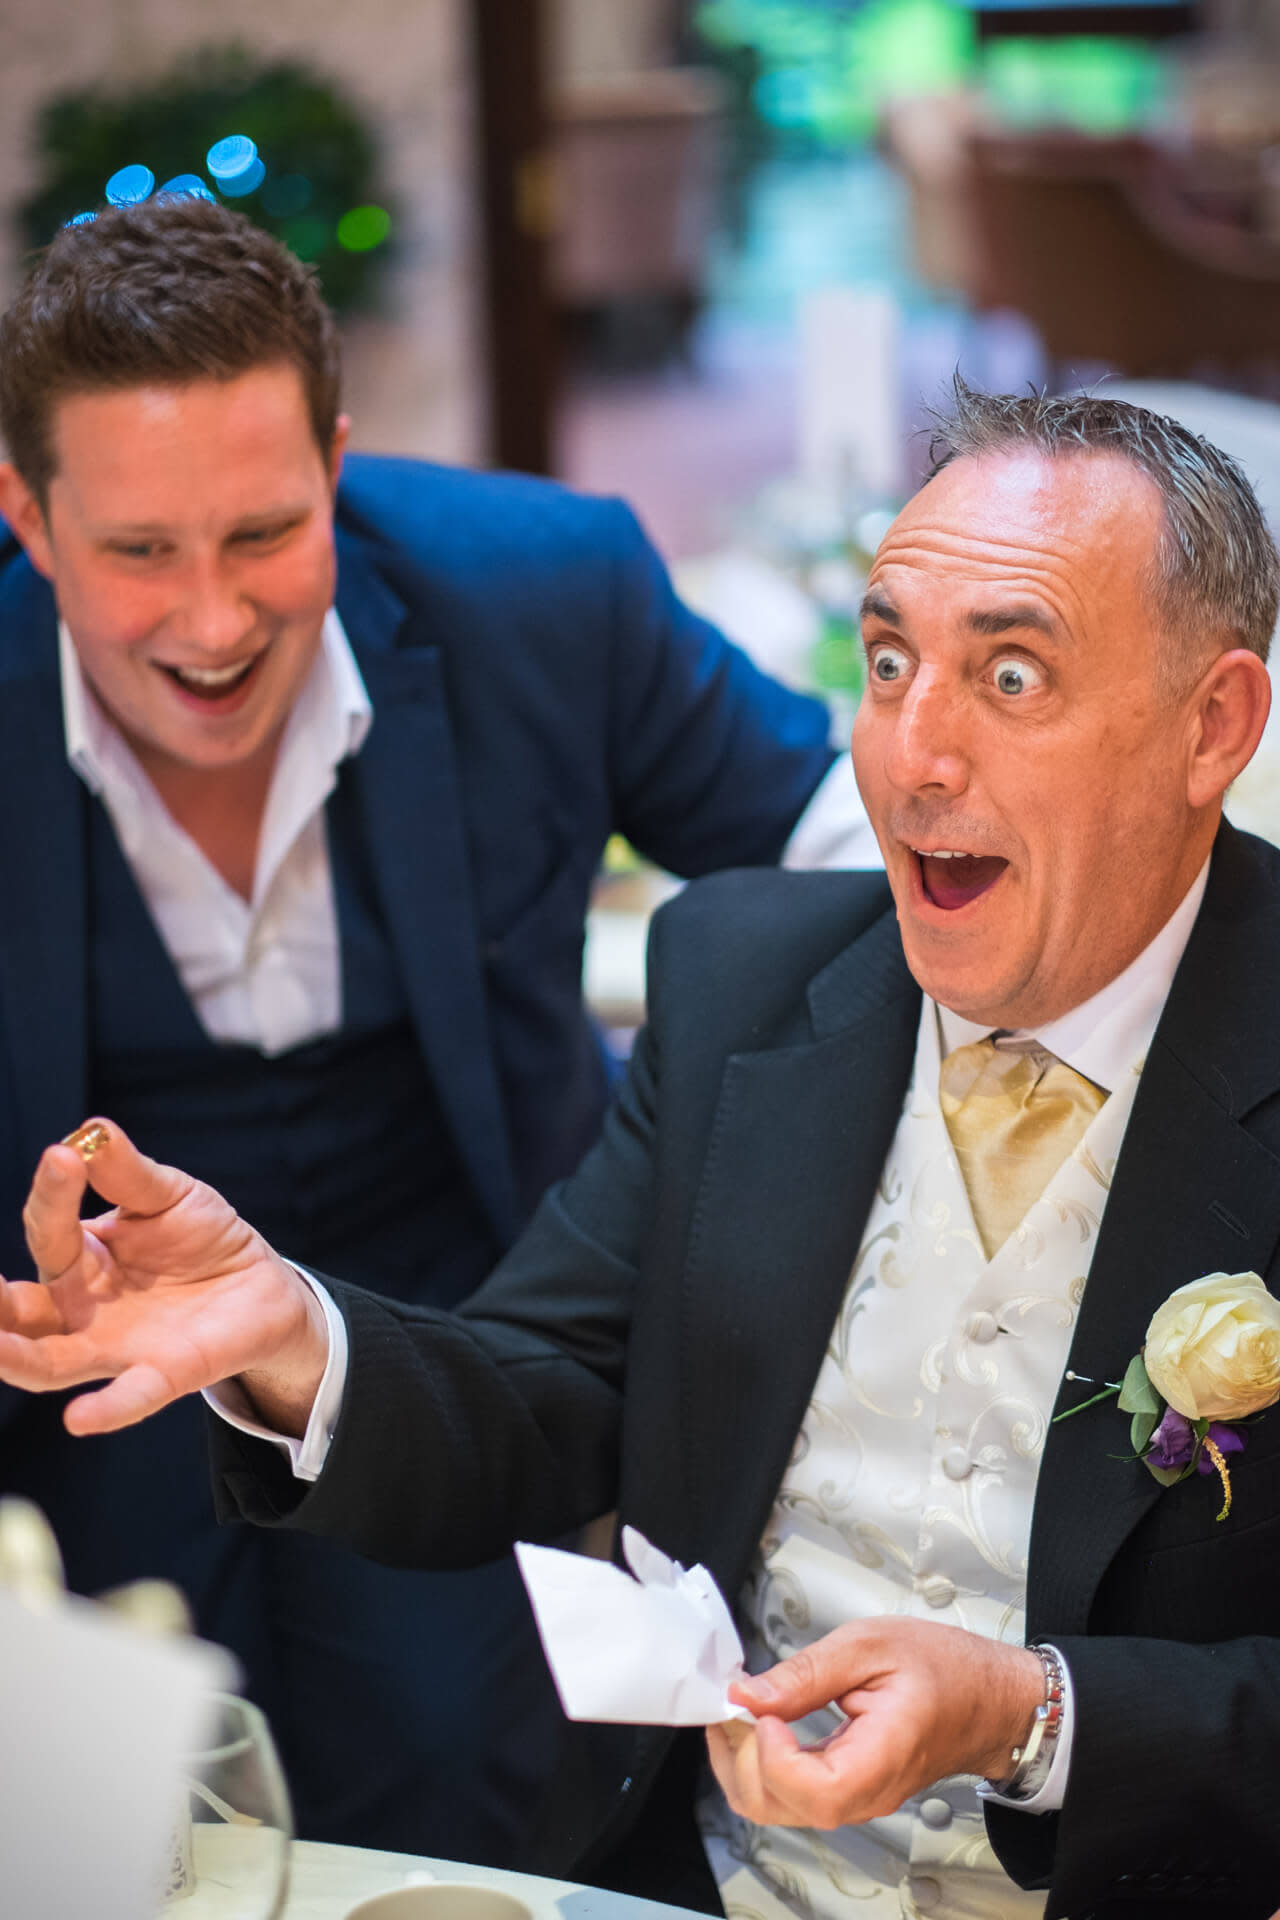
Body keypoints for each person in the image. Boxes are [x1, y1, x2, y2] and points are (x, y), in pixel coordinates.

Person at [4, 384, 1279, 1920]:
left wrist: (1038, 1714)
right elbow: (544, 1398)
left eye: (1011, 674)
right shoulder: (743, 981)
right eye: (889, 664)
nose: (912, 755)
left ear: (1215, 725)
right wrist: (296, 1336)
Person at [0, 194, 876, 1861]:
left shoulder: (545, 594)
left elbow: (853, 854)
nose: (209, 621)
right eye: (136, 554)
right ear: (27, 518)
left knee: (457, 1831)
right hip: (79, 1381)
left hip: (456, 1327)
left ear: (336, 460)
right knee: (94, 1846)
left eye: (263, 533)